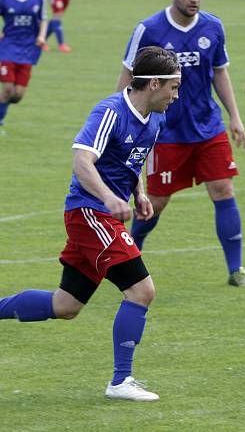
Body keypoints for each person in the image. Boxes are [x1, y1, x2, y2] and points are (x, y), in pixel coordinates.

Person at [0, 46, 181, 401]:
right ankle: (120, 381)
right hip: (89, 212)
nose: (176, 95)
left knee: (65, 306)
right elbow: (82, 162)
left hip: (101, 214)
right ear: (154, 83)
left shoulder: (156, 118)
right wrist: (111, 198)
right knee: (142, 291)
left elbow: (133, 159)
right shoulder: (110, 111)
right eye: (173, 87)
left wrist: (139, 192)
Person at [115, 0, 245, 288]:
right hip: (165, 133)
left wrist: (234, 116)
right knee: (157, 202)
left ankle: (236, 270)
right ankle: (130, 253)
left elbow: (219, 72)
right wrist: (121, 120)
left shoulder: (213, 27)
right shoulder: (149, 29)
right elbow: (126, 76)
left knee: (223, 189)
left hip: (208, 127)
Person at [0, 0, 47, 131]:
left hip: (28, 49)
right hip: (7, 47)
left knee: (17, 95)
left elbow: (43, 20)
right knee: (6, 89)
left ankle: (2, 108)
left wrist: (41, 36)